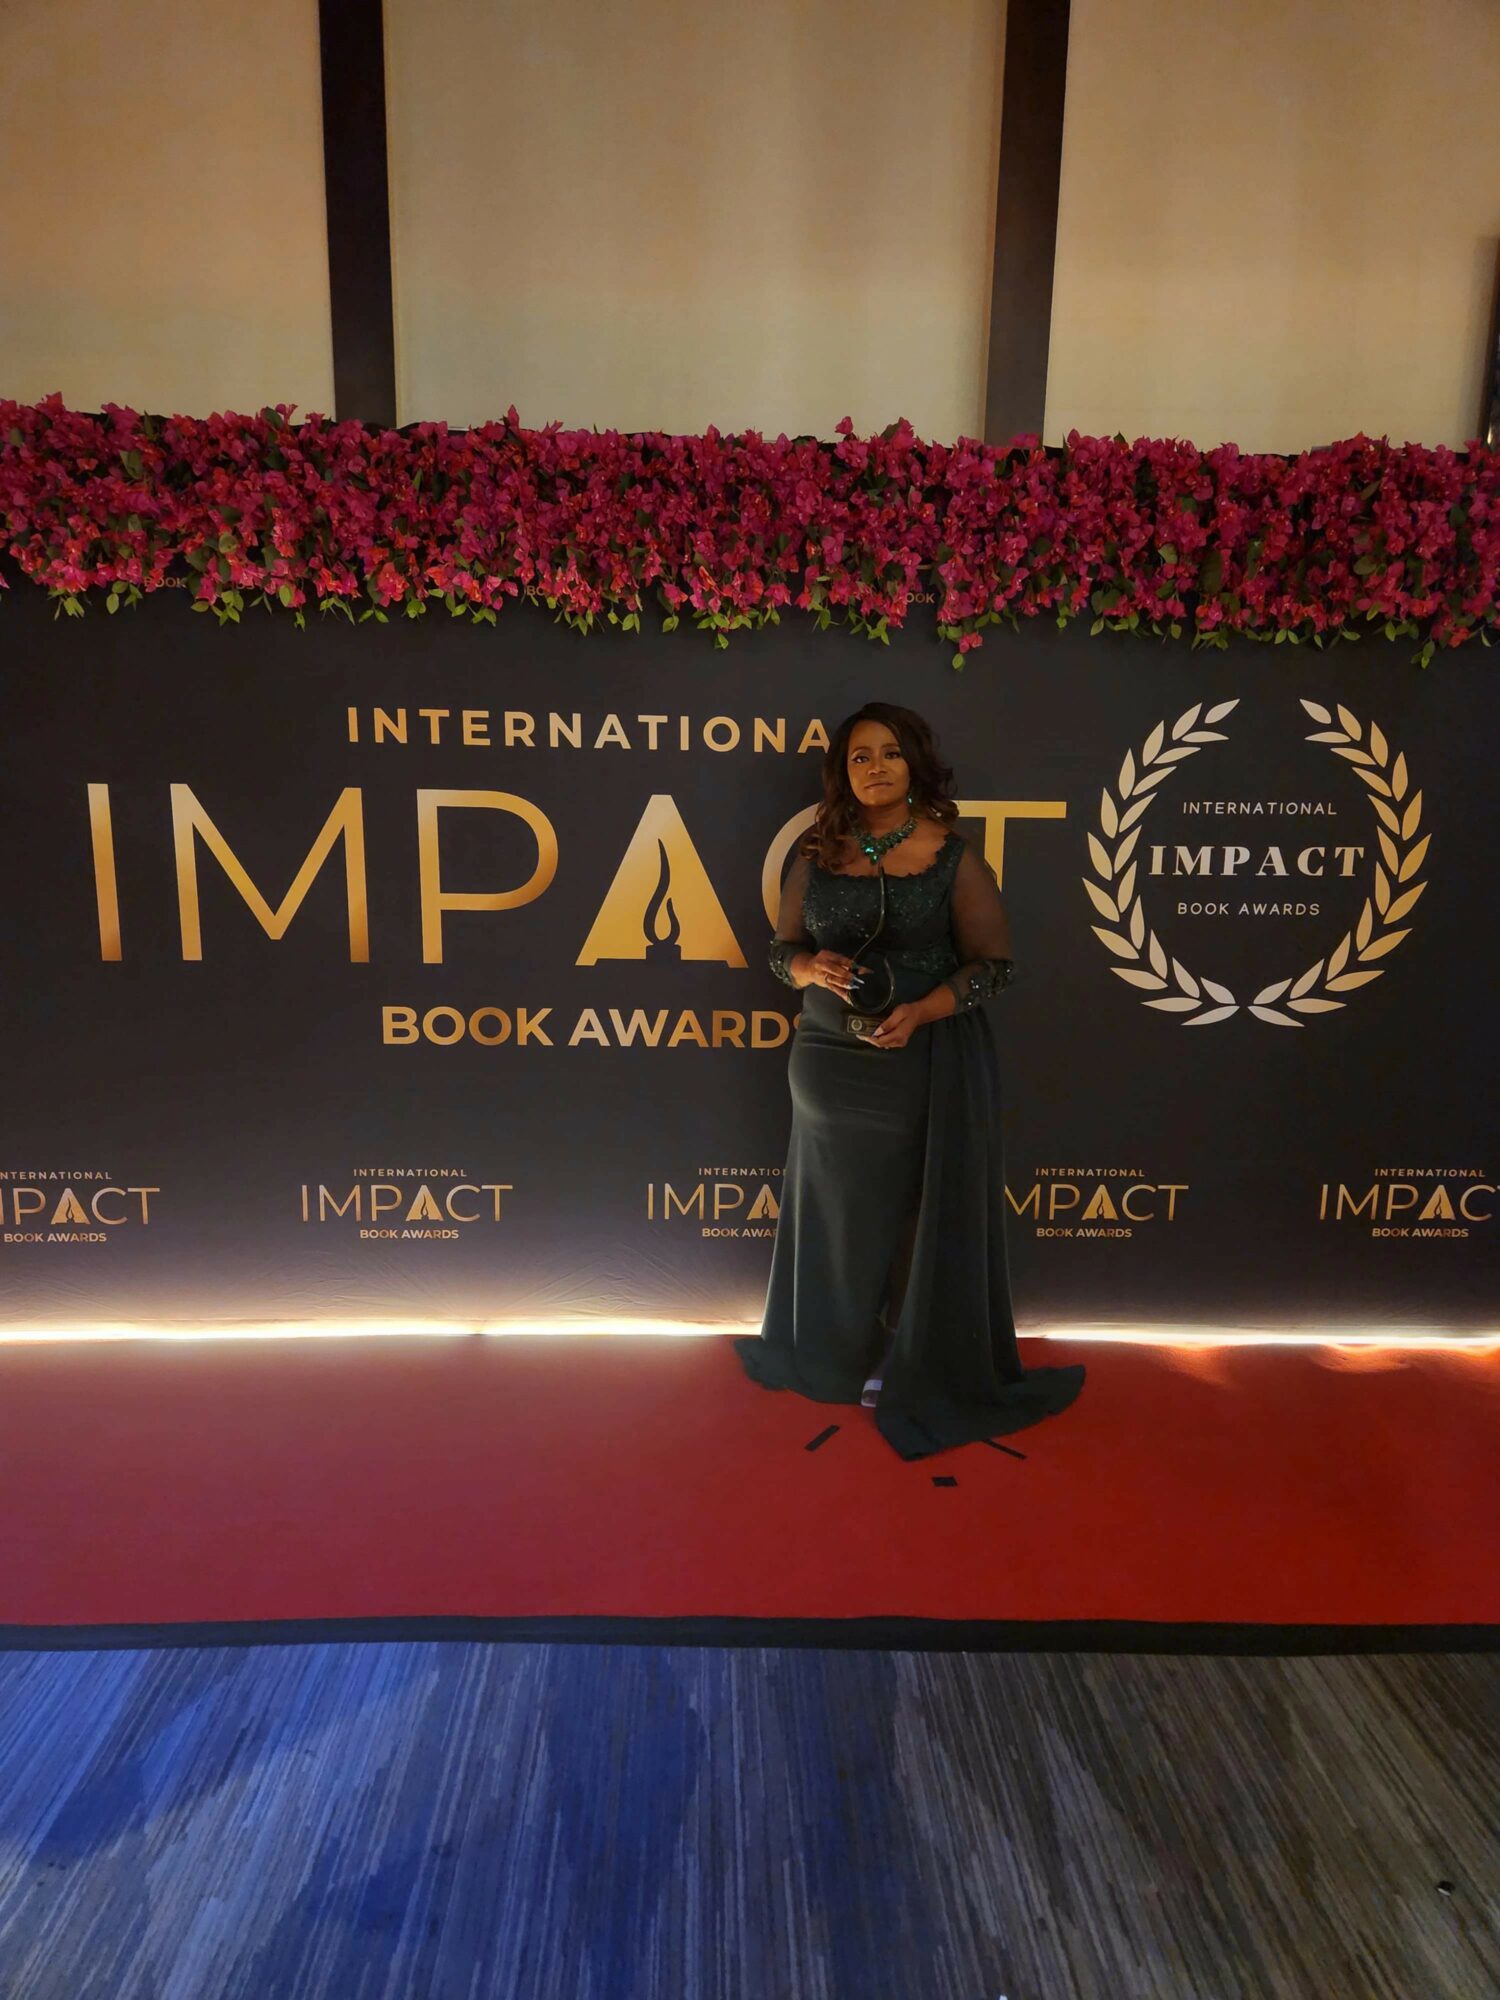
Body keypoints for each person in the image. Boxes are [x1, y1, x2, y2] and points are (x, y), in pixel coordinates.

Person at [734, 702, 1085, 1459]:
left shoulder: (951, 856)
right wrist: (808, 966)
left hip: (920, 1058)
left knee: (911, 1216)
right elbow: (780, 951)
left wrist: (923, 1011)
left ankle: (909, 1358)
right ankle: (834, 1354)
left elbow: (996, 966)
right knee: (837, 1212)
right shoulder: (815, 852)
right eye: (860, 756)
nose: (875, 768)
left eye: (890, 753)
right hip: (826, 1061)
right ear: (843, 771)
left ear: (915, 764)